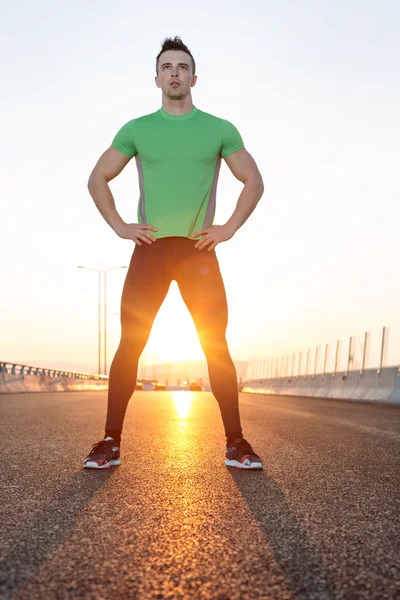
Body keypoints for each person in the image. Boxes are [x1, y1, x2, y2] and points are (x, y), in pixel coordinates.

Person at [83, 36, 264, 470]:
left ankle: (236, 443)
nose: (175, 73)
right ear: (157, 78)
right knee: (130, 344)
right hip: (150, 251)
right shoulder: (137, 129)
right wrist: (120, 225)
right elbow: (97, 179)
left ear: (194, 77)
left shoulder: (219, 128)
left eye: (183, 66)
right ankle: (110, 441)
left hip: (199, 251)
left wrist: (229, 227)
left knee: (215, 345)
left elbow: (253, 182)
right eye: (168, 66)